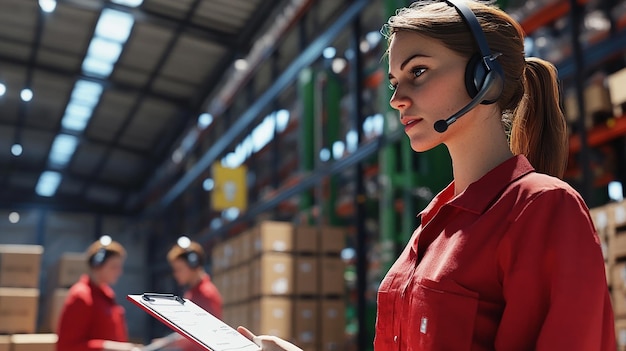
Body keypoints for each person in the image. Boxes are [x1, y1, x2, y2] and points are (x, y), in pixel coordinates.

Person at [238, 0, 616, 350]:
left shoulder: (542, 208)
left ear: (485, 76)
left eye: (418, 71)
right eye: (393, 81)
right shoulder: (433, 227)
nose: (396, 98)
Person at [56, 235, 141, 351]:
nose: (120, 272)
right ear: (97, 265)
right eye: (114, 266)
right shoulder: (81, 296)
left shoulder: (107, 295)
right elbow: (67, 346)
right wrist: (110, 347)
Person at [157, 236, 223, 351]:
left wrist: (168, 343)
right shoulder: (192, 294)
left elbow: (207, 334)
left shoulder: (207, 294)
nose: (176, 274)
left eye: (179, 269)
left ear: (194, 264)